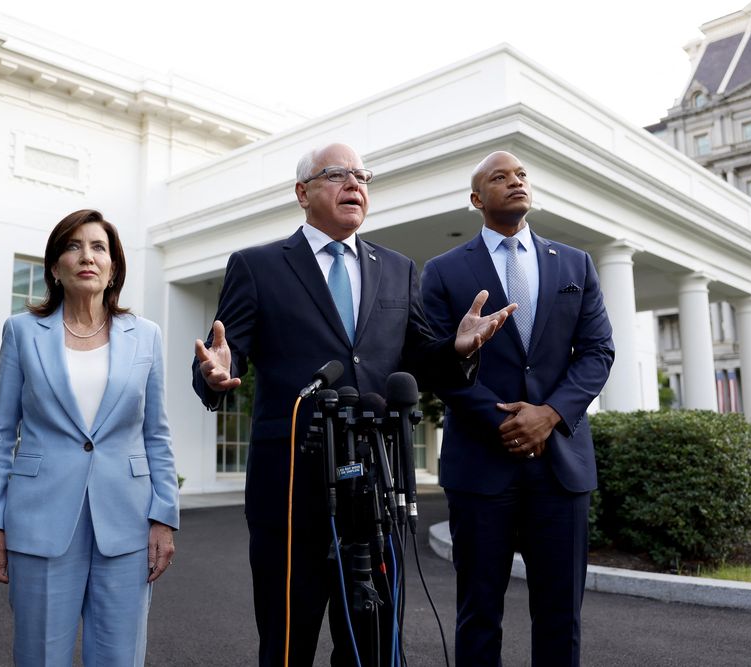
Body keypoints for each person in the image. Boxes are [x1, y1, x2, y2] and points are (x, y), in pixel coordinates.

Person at [192, 143, 515, 666]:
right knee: (286, 642)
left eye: (362, 176)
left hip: (376, 487)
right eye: (337, 174)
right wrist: (215, 372)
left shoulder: (397, 268)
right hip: (291, 487)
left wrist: (456, 349)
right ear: (303, 193)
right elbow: (223, 353)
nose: (355, 184)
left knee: (372, 644)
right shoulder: (257, 266)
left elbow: (421, 357)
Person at [420, 151, 615, 666]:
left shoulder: (575, 264)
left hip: (561, 469)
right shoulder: (442, 271)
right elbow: (434, 363)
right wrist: (508, 421)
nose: (514, 181)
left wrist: (548, 414)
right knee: (479, 613)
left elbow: (598, 352)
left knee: (560, 615)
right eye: (499, 177)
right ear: (476, 199)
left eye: (522, 175)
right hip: (482, 467)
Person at [0, 209, 179, 666]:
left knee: (119, 657)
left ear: (113, 268)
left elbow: (156, 435)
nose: (86, 256)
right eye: (73, 246)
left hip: (127, 523)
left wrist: (164, 517)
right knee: (40, 657)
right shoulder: (21, 332)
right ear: (54, 267)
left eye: (98, 247)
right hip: (39, 521)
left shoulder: (145, 336)